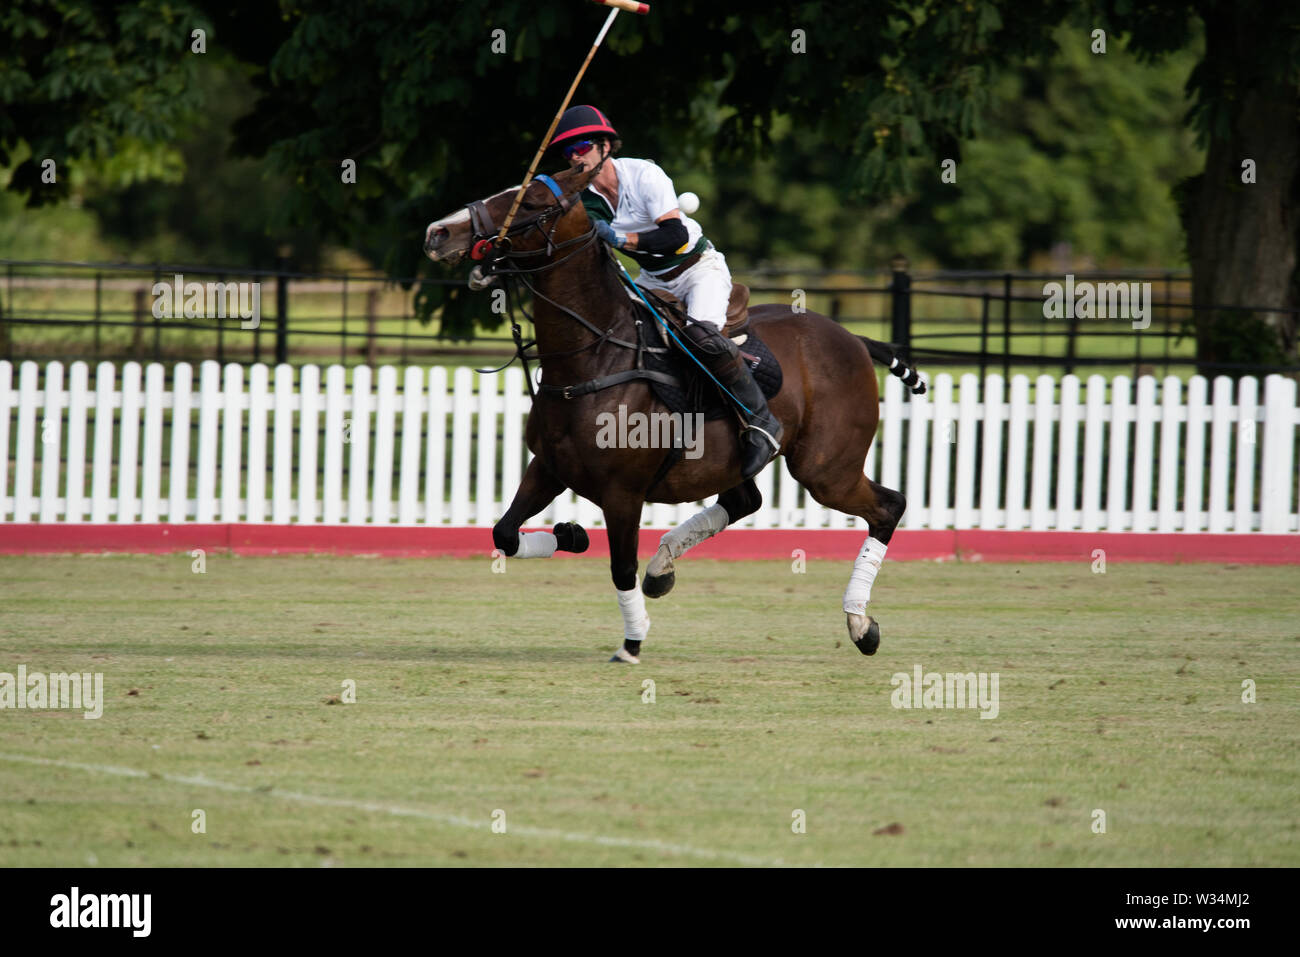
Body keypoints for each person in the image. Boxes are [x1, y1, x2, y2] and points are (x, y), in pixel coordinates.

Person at [548, 105, 782, 480]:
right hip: (652, 280)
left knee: (703, 337)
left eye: (584, 145)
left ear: (606, 146)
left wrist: (621, 237)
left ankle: (762, 423)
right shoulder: (587, 200)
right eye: (568, 150)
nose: (576, 155)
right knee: (621, 337)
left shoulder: (644, 174)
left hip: (696, 269)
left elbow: (674, 235)